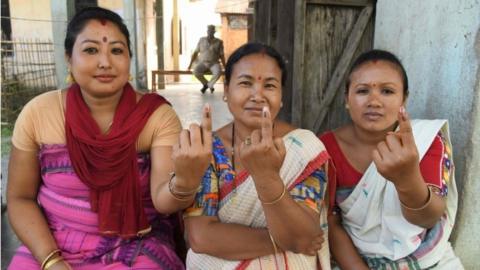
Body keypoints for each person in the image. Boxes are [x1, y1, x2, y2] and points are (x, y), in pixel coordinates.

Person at [7, 7, 211, 270]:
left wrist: (186, 180)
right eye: (91, 50)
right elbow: (19, 198)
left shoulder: (156, 116)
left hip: (133, 245)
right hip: (51, 243)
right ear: (69, 58)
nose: (105, 62)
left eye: (116, 50)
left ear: (129, 58)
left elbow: (163, 202)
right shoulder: (38, 113)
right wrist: (51, 260)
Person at [182, 42, 331, 269]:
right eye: (245, 83)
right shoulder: (207, 150)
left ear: (281, 96)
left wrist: (266, 177)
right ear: (226, 90)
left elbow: (304, 234)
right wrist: (286, 239)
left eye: (270, 86)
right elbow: (201, 237)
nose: (257, 95)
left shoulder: (303, 147)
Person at [319, 49, 463, 269]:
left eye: (387, 91)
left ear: (403, 99)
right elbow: (330, 222)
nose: (374, 101)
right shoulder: (326, 147)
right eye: (362, 91)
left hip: (424, 257)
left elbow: (428, 219)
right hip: (354, 258)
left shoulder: (425, 140)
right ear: (347, 98)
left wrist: (407, 178)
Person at [187, 25, 226, 94]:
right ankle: (207, 84)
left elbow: (222, 55)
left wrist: (225, 66)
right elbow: (195, 53)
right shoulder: (201, 40)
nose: (210, 32)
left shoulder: (219, 42)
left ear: (214, 32)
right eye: (209, 30)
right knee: (196, 71)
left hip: (214, 63)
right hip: (202, 62)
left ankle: (208, 85)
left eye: (212, 31)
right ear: (207, 31)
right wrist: (190, 65)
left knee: (218, 72)